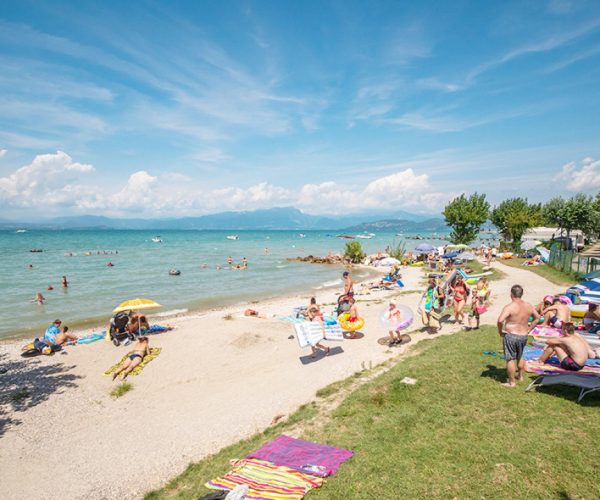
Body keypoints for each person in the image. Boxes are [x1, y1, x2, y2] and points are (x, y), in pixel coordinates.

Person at [497, 285, 540, 387]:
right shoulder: (528, 306)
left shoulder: (510, 307)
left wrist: (500, 331)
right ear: (521, 294)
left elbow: (500, 320)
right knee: (520, 355)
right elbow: (537, 317)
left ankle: (511, 382)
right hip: (523, 335)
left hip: (511, 335)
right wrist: (529, 328)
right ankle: (520, 376)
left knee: (510, 358)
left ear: (511, 294)